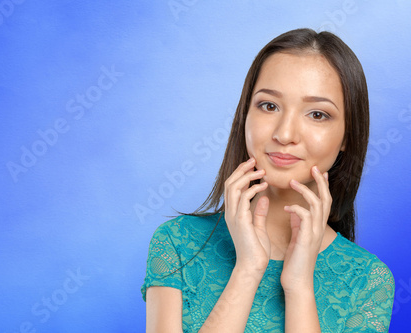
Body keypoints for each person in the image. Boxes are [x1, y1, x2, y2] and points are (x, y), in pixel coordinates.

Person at [141, 28, 395, 332]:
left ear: (347, 136)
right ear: (245, 115)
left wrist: (299, 286)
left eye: (317, 114)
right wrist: (248, 270)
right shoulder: (178, 241)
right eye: (269, 106)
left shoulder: (368, 279)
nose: (285, 134)